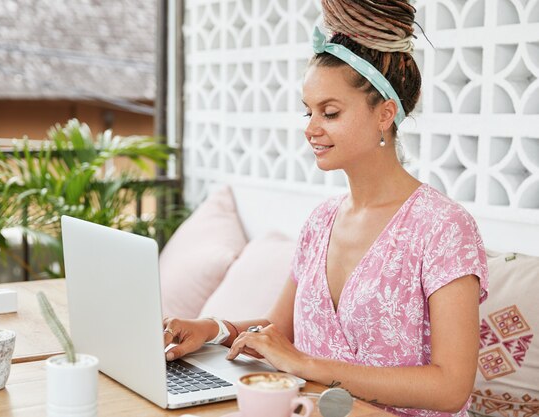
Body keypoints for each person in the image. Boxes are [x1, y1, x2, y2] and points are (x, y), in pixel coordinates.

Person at [162, 1, 488, 415]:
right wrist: (212, 329)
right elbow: (279, 329)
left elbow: (450, 387)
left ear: (385, 114)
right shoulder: (321, 222)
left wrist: (308, 365)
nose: (311, 128)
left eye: (330, 113)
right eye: (308, 111)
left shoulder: (444, 228)